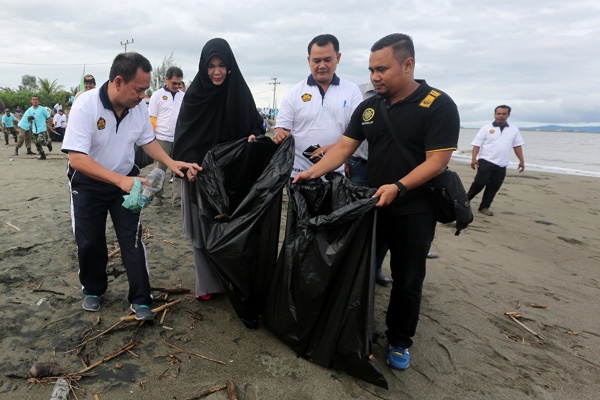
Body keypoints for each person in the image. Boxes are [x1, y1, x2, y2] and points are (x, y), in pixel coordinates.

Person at [293, 33, 460, 371]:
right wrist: (311, 174)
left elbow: (437, 160)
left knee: (408, 277)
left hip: (415, 209)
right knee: (362, 269)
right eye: (371, 70)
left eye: (382, 69)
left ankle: (400, 340)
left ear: (408, 64)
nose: (375, 77)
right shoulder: (369, 107)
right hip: (373, 206)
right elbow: (343, 148)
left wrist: (399, 185)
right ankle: (357, 327)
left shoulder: (438, 104)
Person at [62, 52, 201, 320]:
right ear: (118, 82)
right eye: (138, 89)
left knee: (132, 240)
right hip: (88, 185)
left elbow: (147, 141)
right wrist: (119, 180)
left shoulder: (137, 107)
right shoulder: (85, 106)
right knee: (89, 241)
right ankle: (93, 289)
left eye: (145, 90)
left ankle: (140, 298)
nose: (142, 96)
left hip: (127, 183)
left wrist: (171, 163)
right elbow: (77, 158)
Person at [172, 38, 264, 301]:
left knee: (229, 230)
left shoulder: (239, 92)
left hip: (232, 176)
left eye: (221, 65)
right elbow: (184, 137)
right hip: (198, 174)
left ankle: (229, 279)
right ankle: (208, 284)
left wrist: (252, 138)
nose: (216, 71)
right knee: (202, 232)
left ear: (229, 66)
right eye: (211, 65)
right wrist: (190, 167)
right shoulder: (194, 95)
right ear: (203, 67)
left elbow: (256, 126)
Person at [273, 34, 363, 177]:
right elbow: (281, 127)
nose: (322, 66)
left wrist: (336, 150)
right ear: (309, 60)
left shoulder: (352, 91)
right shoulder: (294, 93)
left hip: (335, 173)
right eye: (316, 61)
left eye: (327, 60)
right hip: (299, 173)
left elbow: (358, 132)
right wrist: (279, 134)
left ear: (338, 58)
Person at [467, 105, 525, 216]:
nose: (501, 116)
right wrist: (474, 159)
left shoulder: (513, 129)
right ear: (495, 114)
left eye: (504, 114)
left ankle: (484, 207)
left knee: (494, 186)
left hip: (502, 163)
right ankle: (465, 200)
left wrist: (521, 161)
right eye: (498, 114)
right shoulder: (486, 128)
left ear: (508, 115)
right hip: (486, 160)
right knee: (480, 182)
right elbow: (476, 145)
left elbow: (517, 146)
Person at [148, 66, 185, 206]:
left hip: (179, 138)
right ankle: (158, 196)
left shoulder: (183, 96)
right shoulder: (157, 95)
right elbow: (152, 118)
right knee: (160, 169)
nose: (177, 86)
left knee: (178, 170)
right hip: (162, 138)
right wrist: (152, 138)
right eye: (174, 83)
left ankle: (178, 200)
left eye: (179, 83)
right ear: (167, 79)